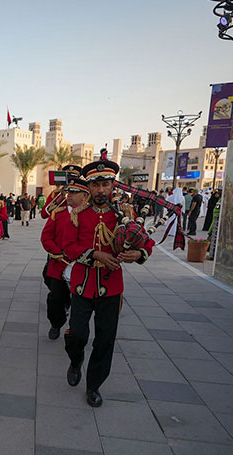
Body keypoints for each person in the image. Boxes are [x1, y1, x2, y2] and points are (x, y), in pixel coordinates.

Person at [63, 153, 154, 408]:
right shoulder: (77, 214)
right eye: (95, 184)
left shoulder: (126, 214)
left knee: (105, 339)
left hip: (111, 288)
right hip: (82, 285)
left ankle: (94, 386)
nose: (100, 190)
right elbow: (68, 246)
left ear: (113, 185)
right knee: (76, 334)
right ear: (89, 187)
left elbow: (147, 243)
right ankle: (75, 359)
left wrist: (138, 253)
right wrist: (96, 254)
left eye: (105, 184)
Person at [41, 176, 88, 339]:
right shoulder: (57, 214)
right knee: (54, 301)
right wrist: (57, 253)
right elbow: (46, 237)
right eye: (69, 192)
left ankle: (75, 332)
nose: (69, 195)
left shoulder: (90, 216)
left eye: (75, 192)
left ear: (85, 196)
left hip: (82, 267)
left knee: (80, 304)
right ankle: (56, 323)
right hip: (59, 264)